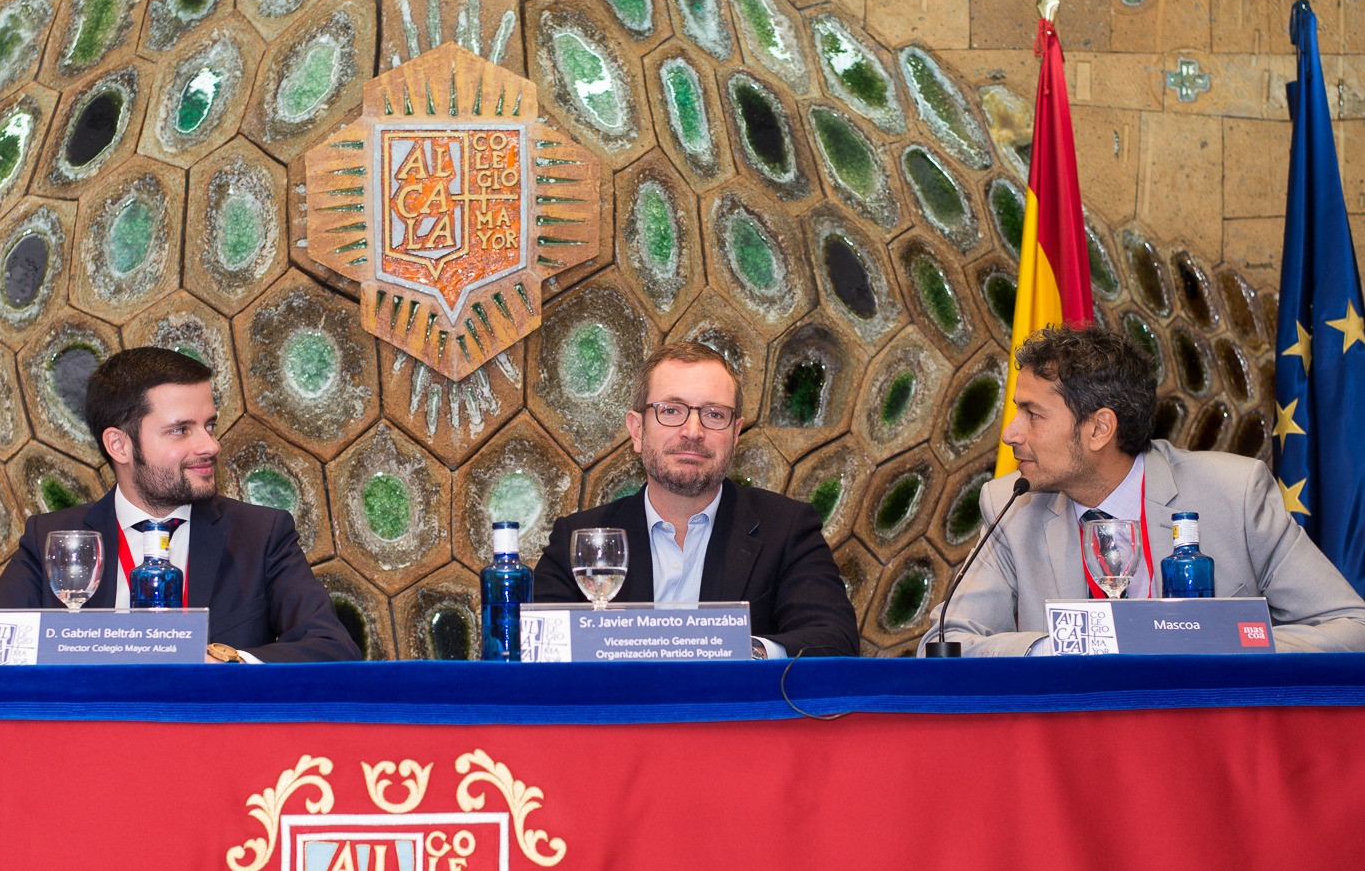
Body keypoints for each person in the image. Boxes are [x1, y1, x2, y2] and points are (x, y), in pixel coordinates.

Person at [921, 326, 1365, 655]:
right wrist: (1056, 649)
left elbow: (1351, 625)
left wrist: (1233, 644)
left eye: (1032, 415)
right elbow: (944, 644)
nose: (1011, 434)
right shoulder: (1010, 507)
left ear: (1099, 428)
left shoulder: (1235, 494)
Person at [0, 347, 358, 663]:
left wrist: (226, 662)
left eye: (209, 425)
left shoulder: (261, 535)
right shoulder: (55, 538)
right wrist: (85, 650)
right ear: (119, 444)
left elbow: (333, 648)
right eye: (180, 430)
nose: (210, 445)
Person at [533, 342, 860, 657]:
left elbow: (834, 640)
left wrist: (742, 652)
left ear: (735, 433)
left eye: (714, 414)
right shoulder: (577, 540)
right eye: (671, 411)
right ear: (637, 430)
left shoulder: (787, 529)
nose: (693, 431)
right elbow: (540, 652)